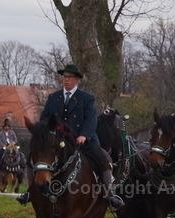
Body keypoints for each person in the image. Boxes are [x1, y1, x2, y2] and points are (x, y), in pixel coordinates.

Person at [17, 63, 123, 209]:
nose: (66, 80)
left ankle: (109, 195)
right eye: (64, 77)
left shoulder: (87, 98)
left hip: (83, 140)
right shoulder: (53, 97)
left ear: (77, 79)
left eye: (70, 77)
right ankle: (30, 192)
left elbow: (91, 120)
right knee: (32, 158)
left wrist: (84, 135)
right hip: (58, 141)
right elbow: (44, 118)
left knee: (104, 160)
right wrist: (45, 132)